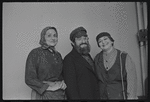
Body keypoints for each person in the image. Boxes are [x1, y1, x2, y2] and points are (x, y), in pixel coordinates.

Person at [25, 26, 67, 100]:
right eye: (49, 35)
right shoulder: (35, 53)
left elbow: (61, 74)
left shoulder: (58, 55)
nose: (53, 38)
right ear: (43, 37)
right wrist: (48, 87)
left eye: (55, 35)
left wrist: (63, 82)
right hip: (43, 95)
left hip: (60, 94)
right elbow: (29, 78)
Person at [94, 32, 137, 99]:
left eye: (105, 39)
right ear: (99, 45)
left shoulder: (123, 56)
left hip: (120, 96)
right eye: (100, 41)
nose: (103, 42)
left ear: (111, 41)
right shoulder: (96, 58)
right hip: (102, 96)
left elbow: (132, 79)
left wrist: (131, 97)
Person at [63, 26, 100, 100]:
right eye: (79, 39)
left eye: (85, 38)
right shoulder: (69, 59)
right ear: (73, 43)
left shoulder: (88, 55)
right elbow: (71, 89)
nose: (83, 41)